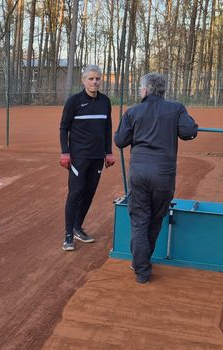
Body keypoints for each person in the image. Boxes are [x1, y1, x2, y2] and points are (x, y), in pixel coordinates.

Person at [114, 73, 197, 284]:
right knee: (155, 220)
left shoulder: (133, 111)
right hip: (163, 174)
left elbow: (120, 141)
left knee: (139, 221)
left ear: (144, 90)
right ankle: (141, 262)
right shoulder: (176, 108)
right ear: (163, 90)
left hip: (139, 172)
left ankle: (142, 269)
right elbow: (188, 131)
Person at [59, 64, 116, 252]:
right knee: (76, 193)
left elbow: (107, 128)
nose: (94, 82)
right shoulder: (74, 102)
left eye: (97, 78)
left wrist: (108, 152)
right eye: (90, 78)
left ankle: (77, 227)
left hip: (97, 157)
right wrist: (65, 153)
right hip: (78, 157)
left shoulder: (105, 102)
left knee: (89, 193)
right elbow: (64, 128)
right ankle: (68, 235)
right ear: (83, 80)